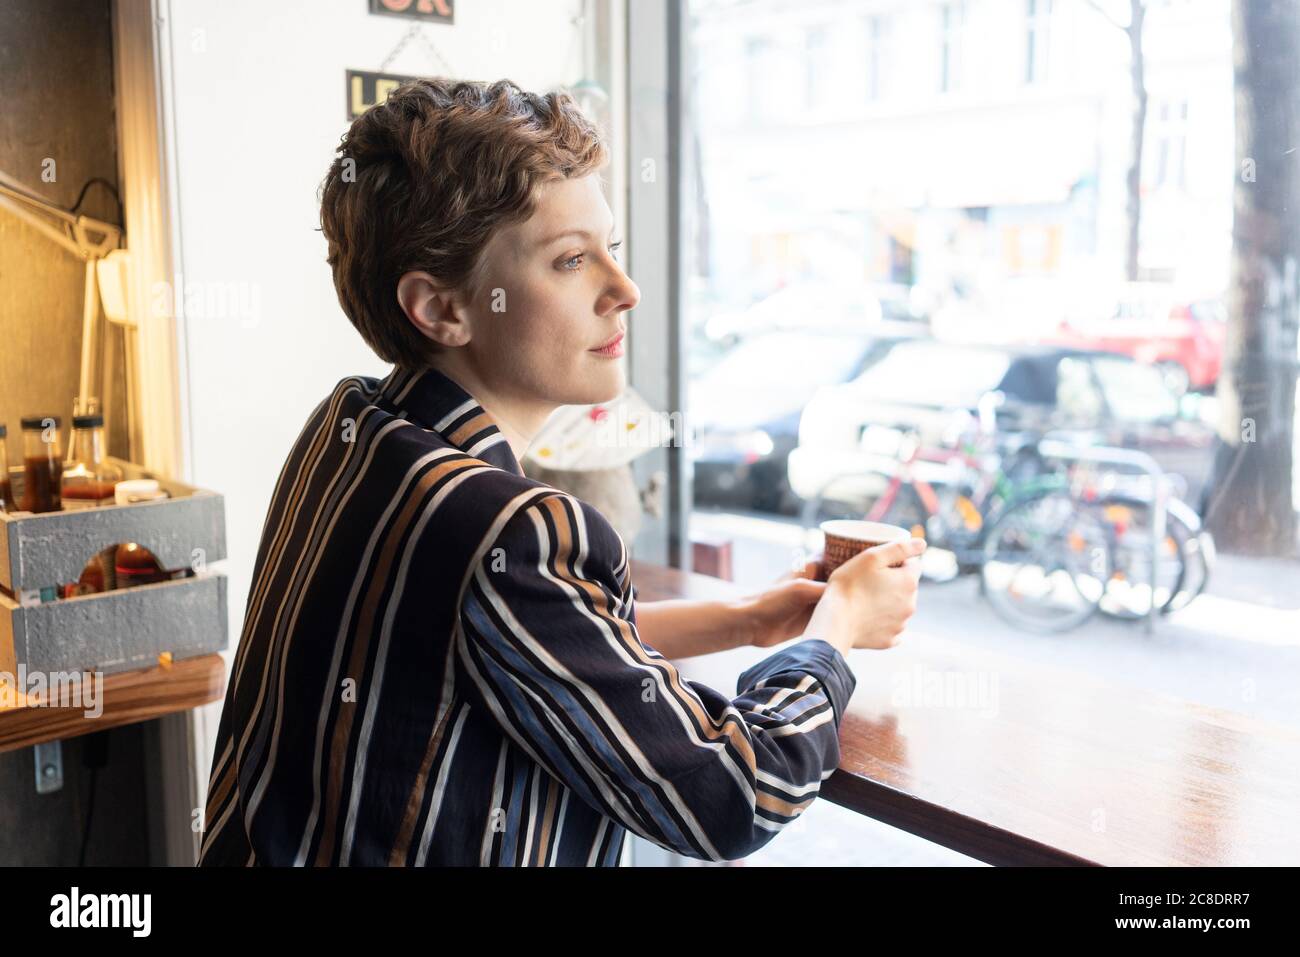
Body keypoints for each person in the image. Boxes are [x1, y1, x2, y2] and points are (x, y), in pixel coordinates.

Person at [197, 77, 925, 867]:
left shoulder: (350, 425)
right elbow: (736, 796)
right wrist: (838, 630)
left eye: (610, 249)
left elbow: (529, 641)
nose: (624, 290)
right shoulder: (514, 529)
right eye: (572, 259)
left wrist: (747, 618)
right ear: (442, 309)